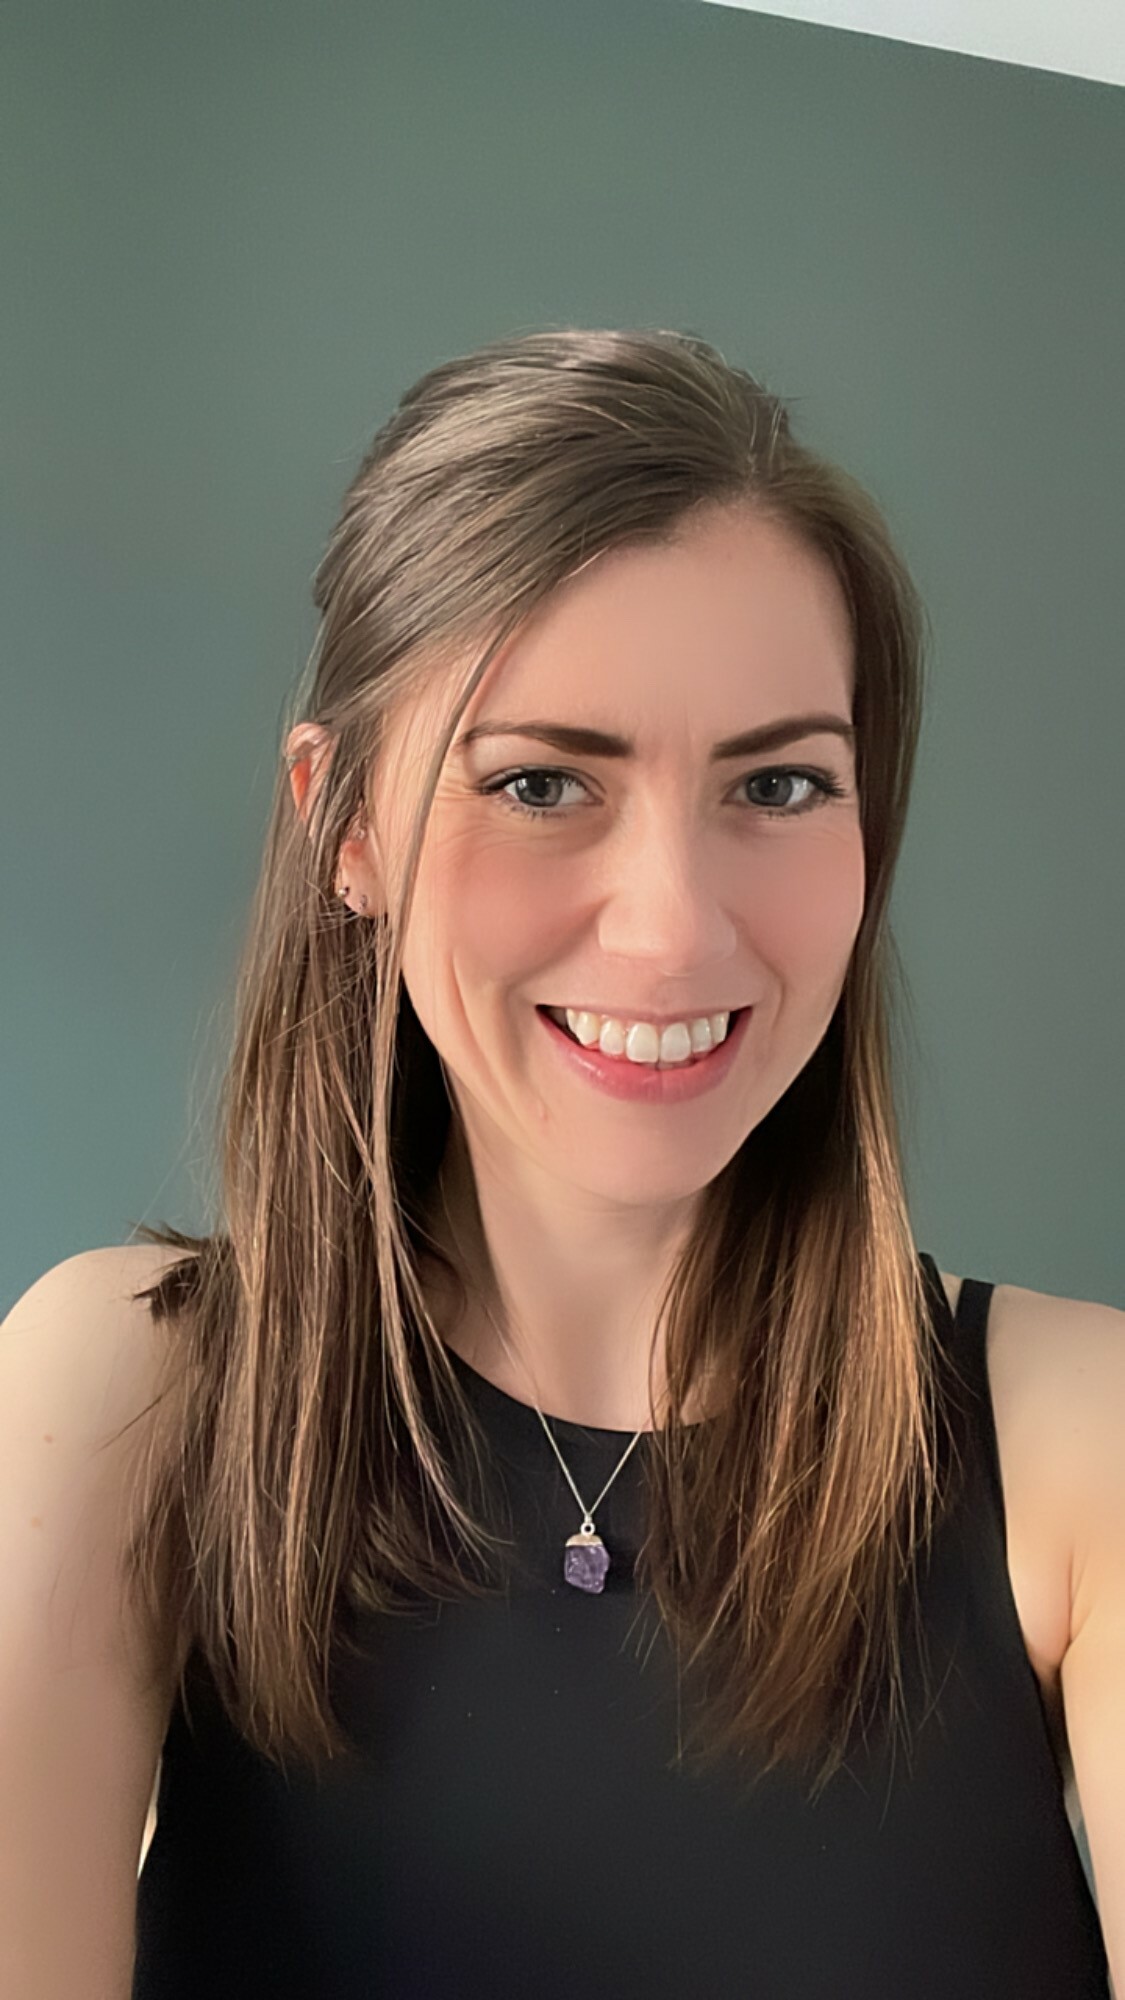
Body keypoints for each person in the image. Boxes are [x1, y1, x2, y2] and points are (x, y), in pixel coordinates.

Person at [1, 328, 1119, 1998]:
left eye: (779, 781)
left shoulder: (1078, 1444)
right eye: (539, 781)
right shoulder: (123, 1400)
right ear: (345, 829)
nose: (672, 926)